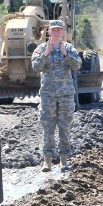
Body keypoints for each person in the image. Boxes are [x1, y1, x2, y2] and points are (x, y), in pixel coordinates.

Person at [31, 19, 82, 172]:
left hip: (66, 94)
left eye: (59, 30)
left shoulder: (68, 47)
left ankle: (64, 159)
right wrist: (46, 54)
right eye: (53, 30)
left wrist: (66, 55)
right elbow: (35, 67)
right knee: (48, 126)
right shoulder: (40, 48)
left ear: (62, 32)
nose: (56, 32)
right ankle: (47, 160)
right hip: (48, 94)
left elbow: (77, 65)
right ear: (48, 32)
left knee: (64, 126)